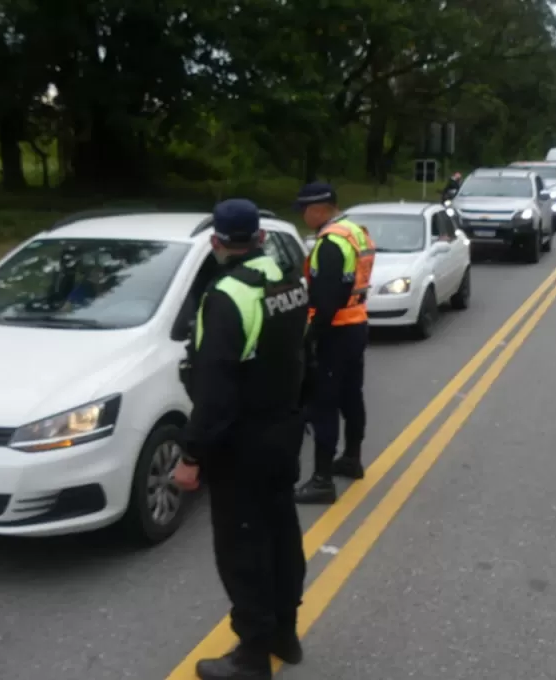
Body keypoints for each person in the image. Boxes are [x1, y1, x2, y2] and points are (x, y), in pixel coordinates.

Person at [172, 198, 314, 680]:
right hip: (284, 432)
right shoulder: (286, 278)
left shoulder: (227, 295)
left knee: (242, 547)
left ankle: (252, 656)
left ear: (216, 243)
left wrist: (191, 454)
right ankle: (284, 633)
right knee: (280, 534)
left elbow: (215, 391)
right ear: (257, 237)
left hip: (244, 443)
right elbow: (302, 355)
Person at [292, 181, 374, 506]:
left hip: (335, 331)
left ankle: (322, 480)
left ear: (320, 209)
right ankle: (352, 458)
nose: (302, 217)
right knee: (351, 395)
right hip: (356, 325)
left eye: (304, 210)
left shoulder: (330, 243)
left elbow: (326, 301)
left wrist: (310, 338)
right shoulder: (356, 231)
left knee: (324, 403)